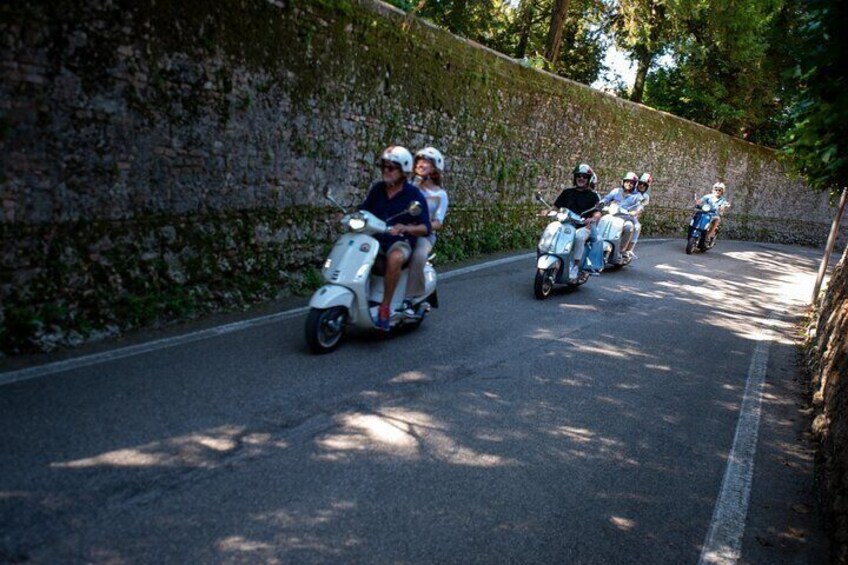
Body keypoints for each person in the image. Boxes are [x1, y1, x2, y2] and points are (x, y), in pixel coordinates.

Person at [359, 146, 431, 330]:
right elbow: (364, 210)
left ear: (403, 172)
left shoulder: (413, 195)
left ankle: (385, 306)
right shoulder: (377, 189)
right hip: (375, 238)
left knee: (395, 257)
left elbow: (425, 226)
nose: (386, 171)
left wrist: (405, 227)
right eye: (384, 166)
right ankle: (359, 296)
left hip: (399, 241)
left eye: (391, 167)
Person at [543, 163, 602, 280]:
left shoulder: (593, 196)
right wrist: (547, 211)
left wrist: (593, 218)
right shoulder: (567, 192)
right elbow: (555, 207)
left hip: (583, 226)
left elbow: (598, 212)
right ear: (575, 178)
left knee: (579, 237)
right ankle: (546, 254)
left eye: (584, 176)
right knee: (552, 228)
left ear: (588, 179)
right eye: (578, 175)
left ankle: (575, 266)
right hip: (566, 224)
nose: (581, 178)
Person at [407, 147, 448, 300]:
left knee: (418, 255)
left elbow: (438, 222)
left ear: (434, 169)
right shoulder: (408, 186)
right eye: (418, 161)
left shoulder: (440, 195)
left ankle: (410, 298)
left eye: (425, 162)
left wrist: (423, 227)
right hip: (402, 230)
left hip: (424, 235)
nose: (420, 165)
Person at [599, 172, 642, 258]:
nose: (628, 184)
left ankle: (621, 250)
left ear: (635, 184)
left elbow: (640, 206)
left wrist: (635, 211)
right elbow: (606, 199)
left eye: (631, 183)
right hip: (613, 215)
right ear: (623, 182)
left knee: (629, 227)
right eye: (627, 182)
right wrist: (601, 203)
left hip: (626, 218)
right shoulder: (616, 191)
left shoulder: (637, 196)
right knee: (601, 220)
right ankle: (597, 243)